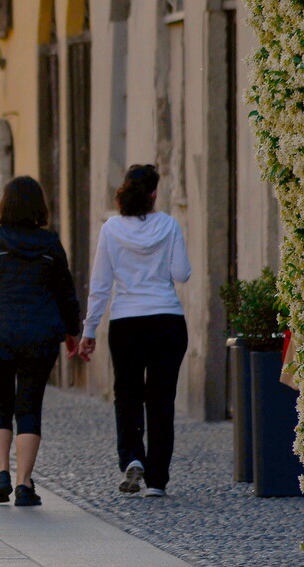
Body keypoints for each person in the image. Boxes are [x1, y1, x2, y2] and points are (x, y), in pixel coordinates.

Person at [0, 176, 82, 507]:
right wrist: (73, 332)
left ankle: (1, 473)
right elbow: (65, 293)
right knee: (30, 405)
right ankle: (25, 483)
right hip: (39, 335)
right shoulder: (50, 244)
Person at [79, 164, 190, 498]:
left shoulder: (111, 229)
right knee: (161, 399)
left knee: (127, 395)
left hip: (126, 321)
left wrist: (89, 330)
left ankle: (131, 456)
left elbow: (100, 285)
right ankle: (157, 480)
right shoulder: (169, 225)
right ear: (155, 193)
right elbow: (181, 273)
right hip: (167, 320)